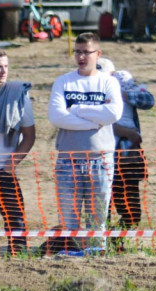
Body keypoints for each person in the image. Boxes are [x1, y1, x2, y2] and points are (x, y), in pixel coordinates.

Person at [47, 33, 123, 254]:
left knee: (97, 218)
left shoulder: (108, 82)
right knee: (68, 218)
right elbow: (57, 117)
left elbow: (113, 113)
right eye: (77, 51)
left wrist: (78, 110)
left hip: (101, 160)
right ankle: (70, 255)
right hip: (68, 161)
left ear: (97, 54)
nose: (81, 56)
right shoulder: (63, 82)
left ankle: (96, 255)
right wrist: (94, 121)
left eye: (86, 52)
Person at [0, 47, 35, 257]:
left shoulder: (17, 95)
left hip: (5, 171)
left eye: (6, 66)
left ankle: (19, 263)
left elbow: (30, 136)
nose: (3, 71)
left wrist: (11, 164)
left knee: (16, 223)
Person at [107, 65, 155, 238]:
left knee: (132, 213)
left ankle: (115, 241)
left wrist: (123, 94)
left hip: (128, 159)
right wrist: (125, 132)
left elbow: (148, 100)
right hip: (107, 159)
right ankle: (105, 243)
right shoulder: (98, 94)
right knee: (105, 208)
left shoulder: (128, 91)